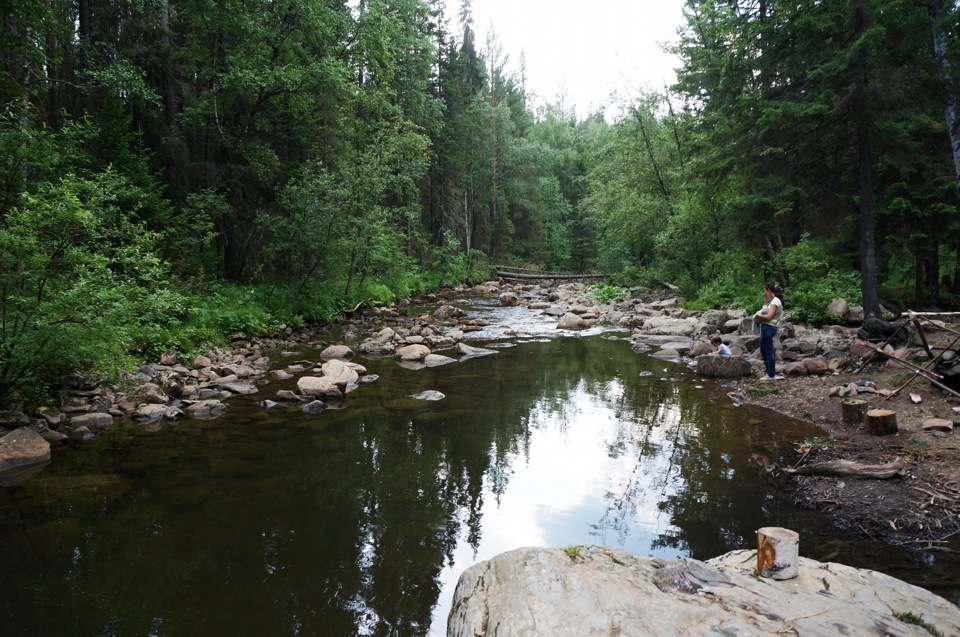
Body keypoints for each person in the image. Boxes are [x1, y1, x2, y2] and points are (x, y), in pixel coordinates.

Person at [754, 282, 783, 381]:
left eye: (764, 291)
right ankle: (768, 372)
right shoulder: (772, 301)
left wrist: (757, 316)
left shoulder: (775, 301)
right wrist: (765, 300)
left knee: (769, 352)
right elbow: (765, 310)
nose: (764, 293)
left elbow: (768, 316)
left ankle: (771, 375)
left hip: (769, 328)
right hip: (766, 328)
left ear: (768, 290)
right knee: (763, 351)